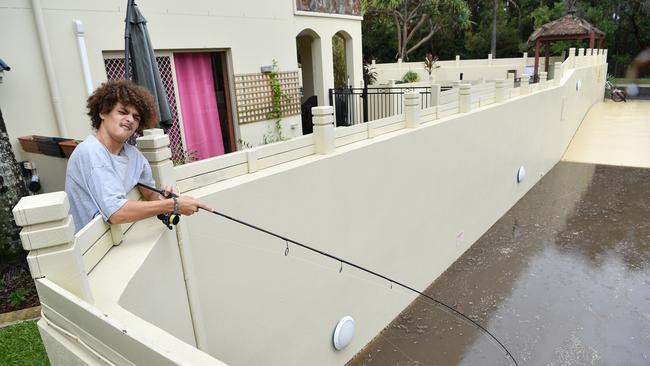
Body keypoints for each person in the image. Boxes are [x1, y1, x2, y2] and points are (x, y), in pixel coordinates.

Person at [65, 80, 210, 232]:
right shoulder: (90, 152)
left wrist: (166, 198)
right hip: (93, 248)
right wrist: (174, 205)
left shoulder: (134, 156)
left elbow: (151, 196)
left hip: (119, 238)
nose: (130, 119)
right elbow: (116, 212)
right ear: (103, 112)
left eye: (136, 117)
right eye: (122, 112)